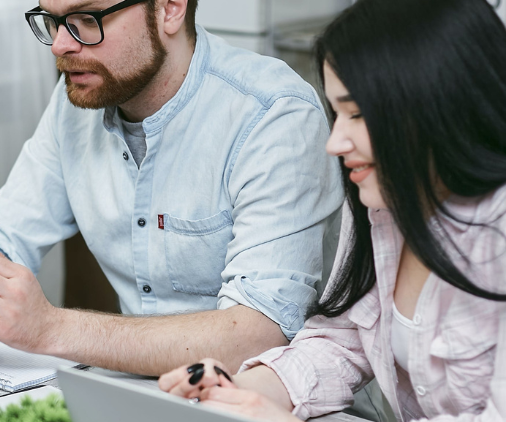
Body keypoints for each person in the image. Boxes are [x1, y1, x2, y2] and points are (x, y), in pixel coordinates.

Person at [0, 0, 343, 375]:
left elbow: (258, 332)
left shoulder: (273, 116)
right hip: (138, 396)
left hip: (268, 402)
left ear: (170, 7)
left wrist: (51, 328)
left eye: (88, 18)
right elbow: (3, 236)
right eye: (51, 20)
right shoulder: (78, 103)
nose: (60, 44)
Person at [158, 0, 506, 420]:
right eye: (337, 114)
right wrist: (244, 390)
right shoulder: (384, 204)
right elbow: (343, 342)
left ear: (437, 103)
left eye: (357, 114)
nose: (335, 143)